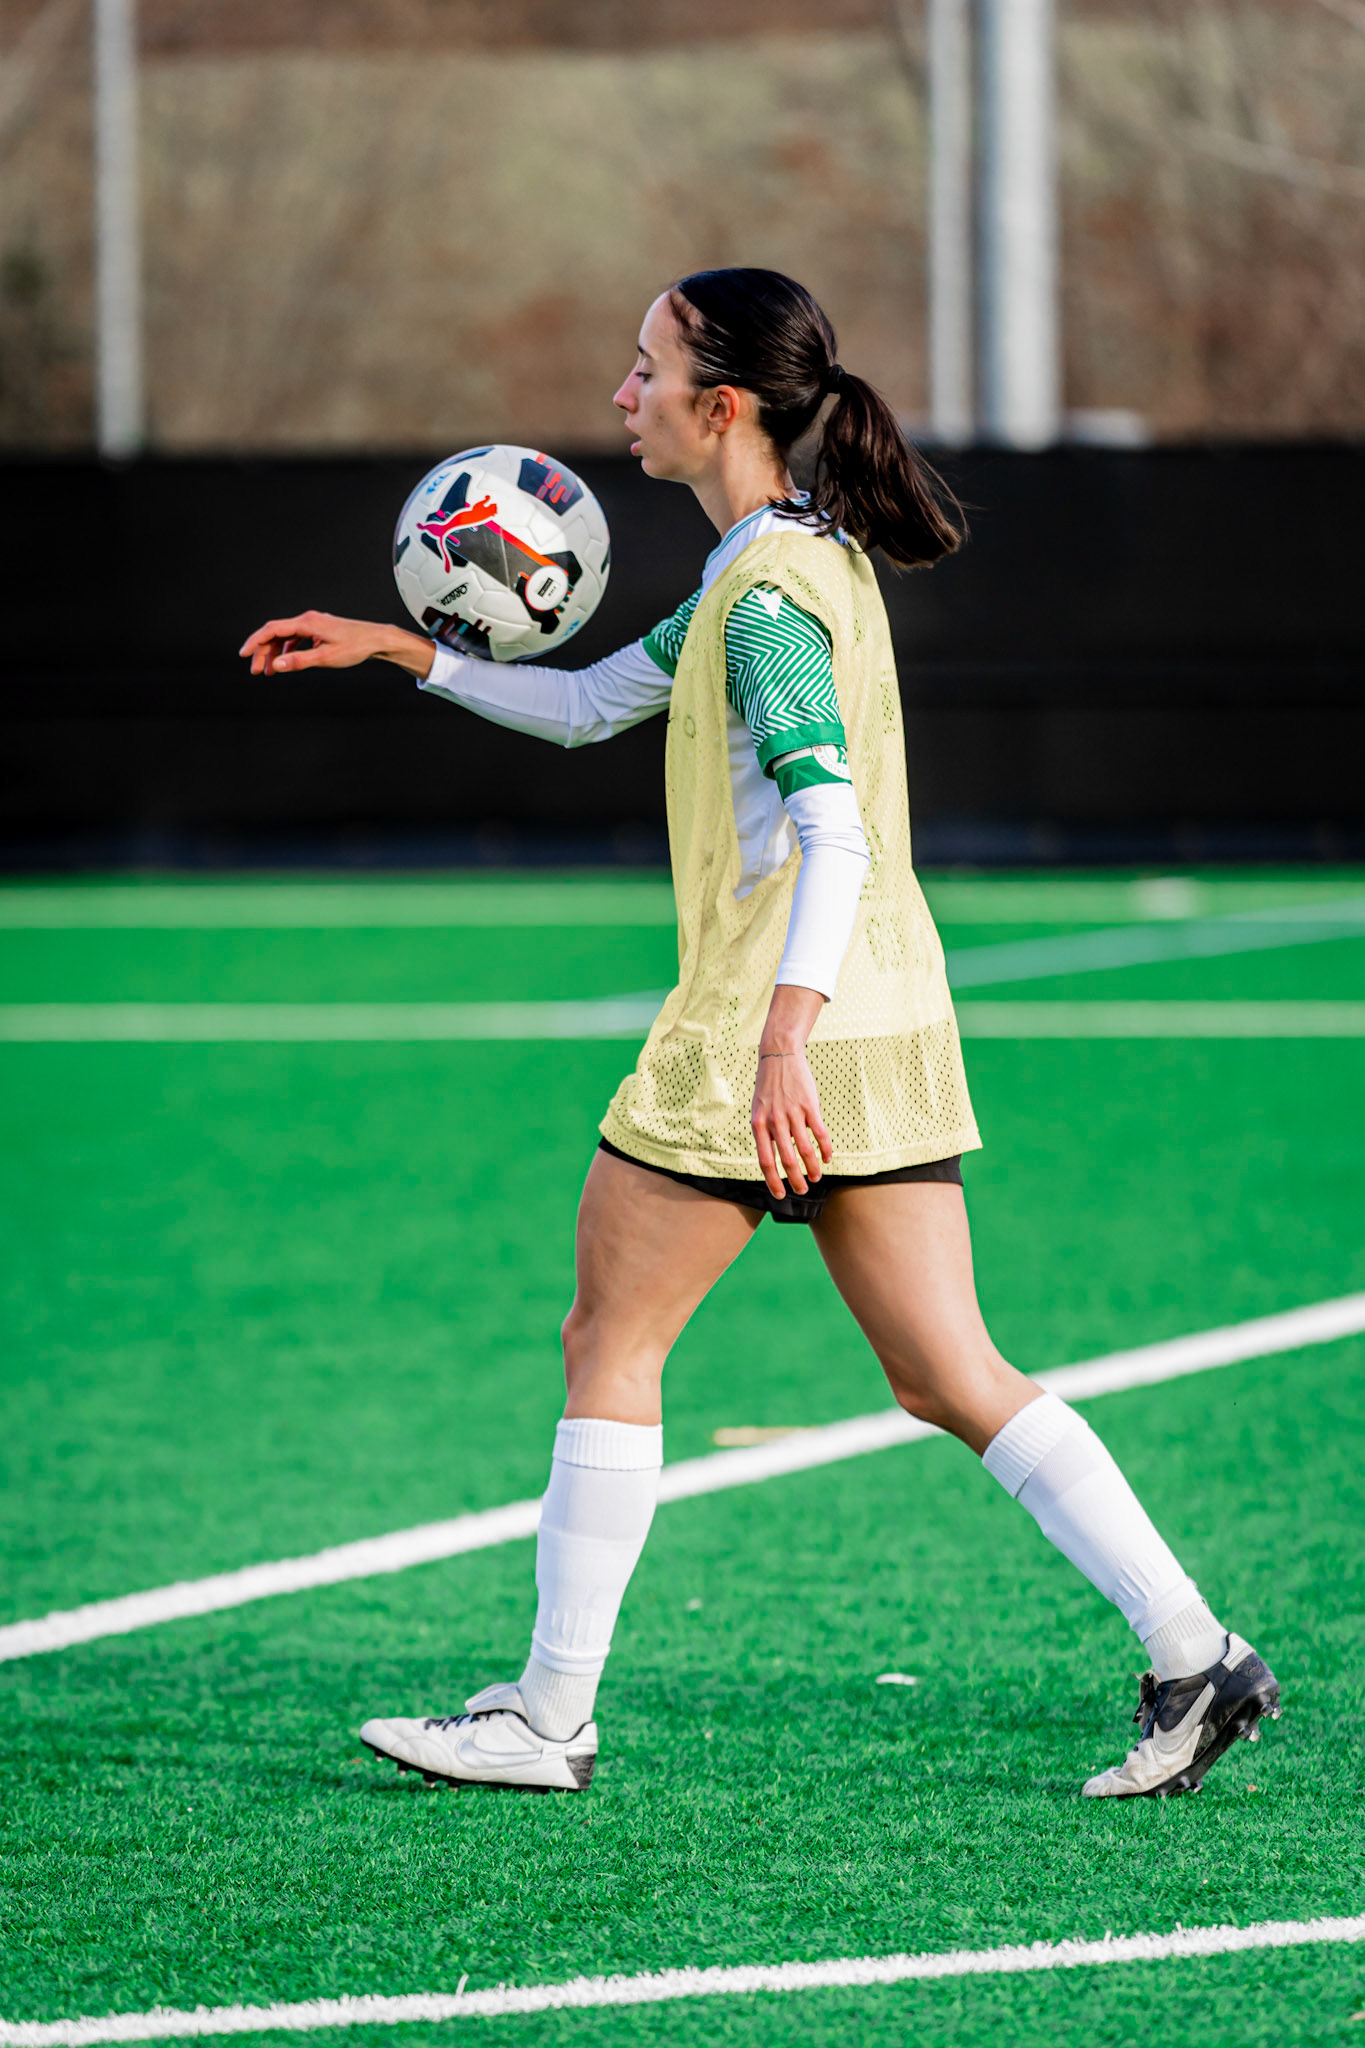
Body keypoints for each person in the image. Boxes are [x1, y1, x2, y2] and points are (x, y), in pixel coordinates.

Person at [240, 267, 1279, 1800]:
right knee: (948, 1373)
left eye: (642, 367)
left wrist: (780, 1042)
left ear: (717, 403)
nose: (621, 395)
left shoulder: (771, 598)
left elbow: (830, 829)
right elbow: (590, 703)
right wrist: (407, 652)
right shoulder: (784, 563)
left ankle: (546, 1717)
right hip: (884, 1013)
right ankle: (1197, 1655)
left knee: (611, 1340)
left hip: (768, 1026)